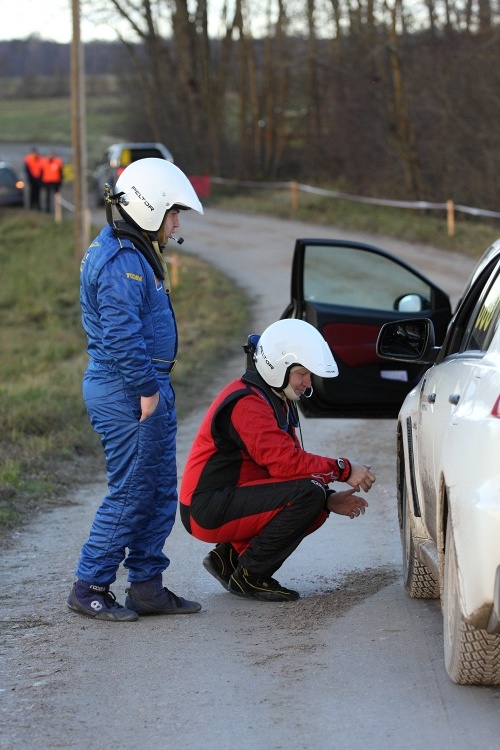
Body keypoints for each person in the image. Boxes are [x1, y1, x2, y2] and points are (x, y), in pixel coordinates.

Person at [68, 158, 204, 622]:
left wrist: (153, 387)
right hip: (127, 388)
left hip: (144, 386)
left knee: (159, 490)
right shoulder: (121, 260)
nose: (177, 223)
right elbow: (121, 334)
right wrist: (147, 389)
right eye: (174, 213)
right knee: (131, 492)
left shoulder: (134, 248)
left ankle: (147, 587)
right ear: (150, 208)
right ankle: (89, 586)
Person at [179, 318, 376, 602]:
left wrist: (328, 498)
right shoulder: (248, 403)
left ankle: (228, 559)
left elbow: (292, 470)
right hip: (205, 510)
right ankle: (251, 576)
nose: (308, 383)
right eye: (301, 374)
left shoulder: (272, 398)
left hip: (221, 500)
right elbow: (286, 464)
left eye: (309, 375)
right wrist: (342, 469)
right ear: (277, 368)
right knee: (308, 494)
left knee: (314, 497)